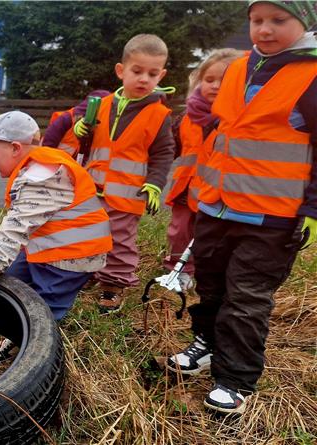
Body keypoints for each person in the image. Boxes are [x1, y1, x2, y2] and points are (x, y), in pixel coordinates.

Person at [167, 0, 317, 415]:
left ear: (305, 22)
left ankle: (235, 379)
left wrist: (312, 211)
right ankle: (206, 344)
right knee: (211, 286)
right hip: (216, 208)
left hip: (271, 217)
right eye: (256, 20)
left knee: (246, 298)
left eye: (278, 20)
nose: (264, 29)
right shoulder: (237, 68)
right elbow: (223, 127)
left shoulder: (311, 75)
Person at [0, 111, 112, 322]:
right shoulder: (36, 167)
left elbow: (18, 224)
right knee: (13, 279)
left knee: (45, 307)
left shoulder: (42, 175)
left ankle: (40, 334)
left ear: (15, 148)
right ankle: (10, 317)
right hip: (50, 246)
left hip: (71, 257)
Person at [73, 34, 176, 314]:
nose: (144, 79)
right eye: (137, 71)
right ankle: (89, 271)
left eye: (152, 74)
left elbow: (164, 153)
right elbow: (89, 144)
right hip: (92, 189)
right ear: (121, 71)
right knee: (88, 233)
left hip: (128, 192)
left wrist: (154, 184)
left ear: (161, 75)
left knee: (119, 239)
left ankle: (114, 283)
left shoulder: (159, 114)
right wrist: (81, 130)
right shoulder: (102, 105)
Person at [162, 49, 244, 291]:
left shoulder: (240, 121)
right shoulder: (186, 118)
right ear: (199, 81)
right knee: (179, 232)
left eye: (224, 80)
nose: (215, 86)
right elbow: (169, 149)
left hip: (220, 194)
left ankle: (209, 270)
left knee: (215, 236)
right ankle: (178, 269)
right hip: (185, 190)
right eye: (209, 79)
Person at [42, 89, 110, 161]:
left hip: (71, 165)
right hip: (51, 162)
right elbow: (47, 146)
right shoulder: (65, 119)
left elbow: (86, 156)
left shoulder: (94, 128)